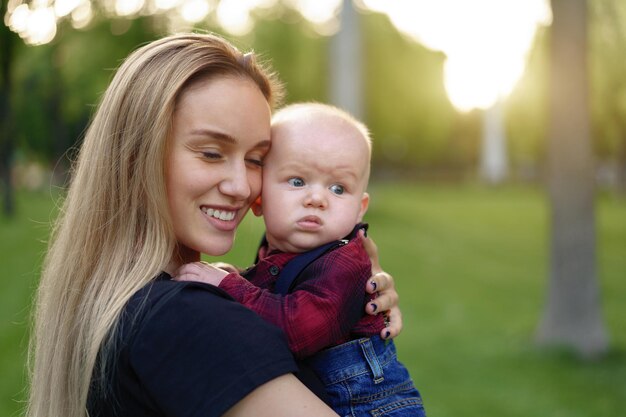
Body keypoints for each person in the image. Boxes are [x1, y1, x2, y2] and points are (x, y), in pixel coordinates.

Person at [25, 33, 403, 417]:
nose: (241, 187)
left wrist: (352, 298)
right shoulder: (187, 319)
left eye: (256, 159)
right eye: (211, 153)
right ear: (137, 155)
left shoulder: (113, 299)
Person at [175, 103, 426, 416]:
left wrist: (231, 286)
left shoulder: (345, 263)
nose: (317, 199)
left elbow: (296, 330)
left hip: (370, 406)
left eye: (338, 188)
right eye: (297, 181)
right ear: (260, 196)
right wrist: (239, 277)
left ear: (360, 208)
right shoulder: (285, 249)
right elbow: (278, 292)